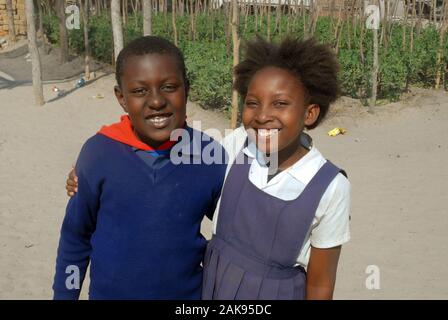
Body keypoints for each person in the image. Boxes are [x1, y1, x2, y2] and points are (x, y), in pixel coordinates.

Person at [53, 36, 227, 300]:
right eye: (139, 91)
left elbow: (236, 230)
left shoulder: (209, 156)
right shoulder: (99, 154)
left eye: (169, 87)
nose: (156, 101)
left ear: (187, 89)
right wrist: (65, 295)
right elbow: (76, 238)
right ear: (121, 98)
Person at [201, 36, 351, 300]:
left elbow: (320, 284)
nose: (261, 116)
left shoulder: (330, 186)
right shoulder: (237, 144)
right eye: (252, 103)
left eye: (280, 104)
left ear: (310, 113)